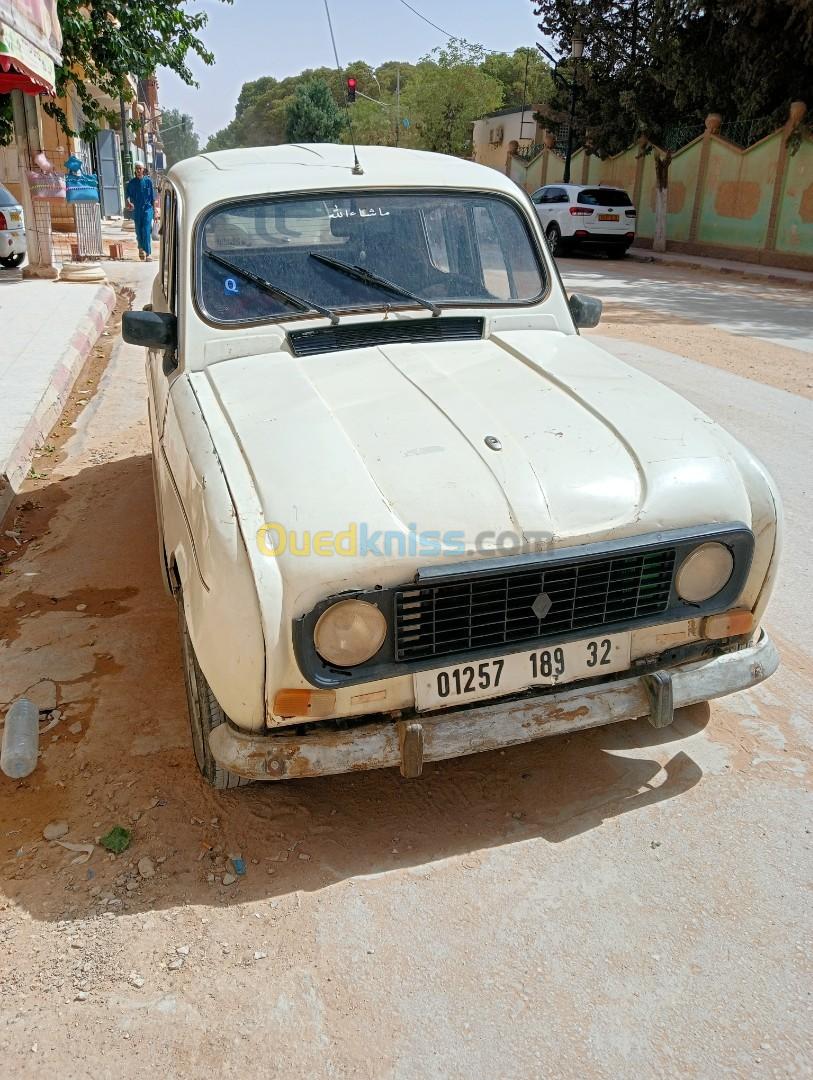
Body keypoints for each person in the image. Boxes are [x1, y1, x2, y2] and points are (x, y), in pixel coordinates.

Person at [125, 164, 159, 262]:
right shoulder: (132, 183)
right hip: (137, 209)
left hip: (147, 208)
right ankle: (140, 248)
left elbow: (153, 198)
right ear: (135, 170)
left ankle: (148, 253)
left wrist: (155, 211)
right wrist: (128, 202)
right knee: (139, 230)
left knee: (146, 229)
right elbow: (127, 195)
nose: (139, 170)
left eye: (140, 168)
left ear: (143, 169)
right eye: (137, 168)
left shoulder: (148, 181)